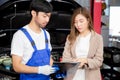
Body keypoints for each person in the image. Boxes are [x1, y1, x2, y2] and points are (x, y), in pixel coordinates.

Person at [11, 0, 56, 80]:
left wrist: (56, 68)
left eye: (49, 16)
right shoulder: (20, 36)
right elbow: (16, 66)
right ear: (34, 13)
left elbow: (49, 57)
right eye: (44, 16)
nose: (47, 20)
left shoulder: (46, 34)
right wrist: (39, 70)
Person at [62, 7, 104, 80]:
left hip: (91, 77)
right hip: (72, 77)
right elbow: (65, 59)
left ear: (88, 20)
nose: (78, 25)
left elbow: (99, 61)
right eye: (75, 22)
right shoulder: (70, 37)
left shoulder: (98, 38)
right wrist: (76, 63)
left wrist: (86, 61)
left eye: (81, 21)